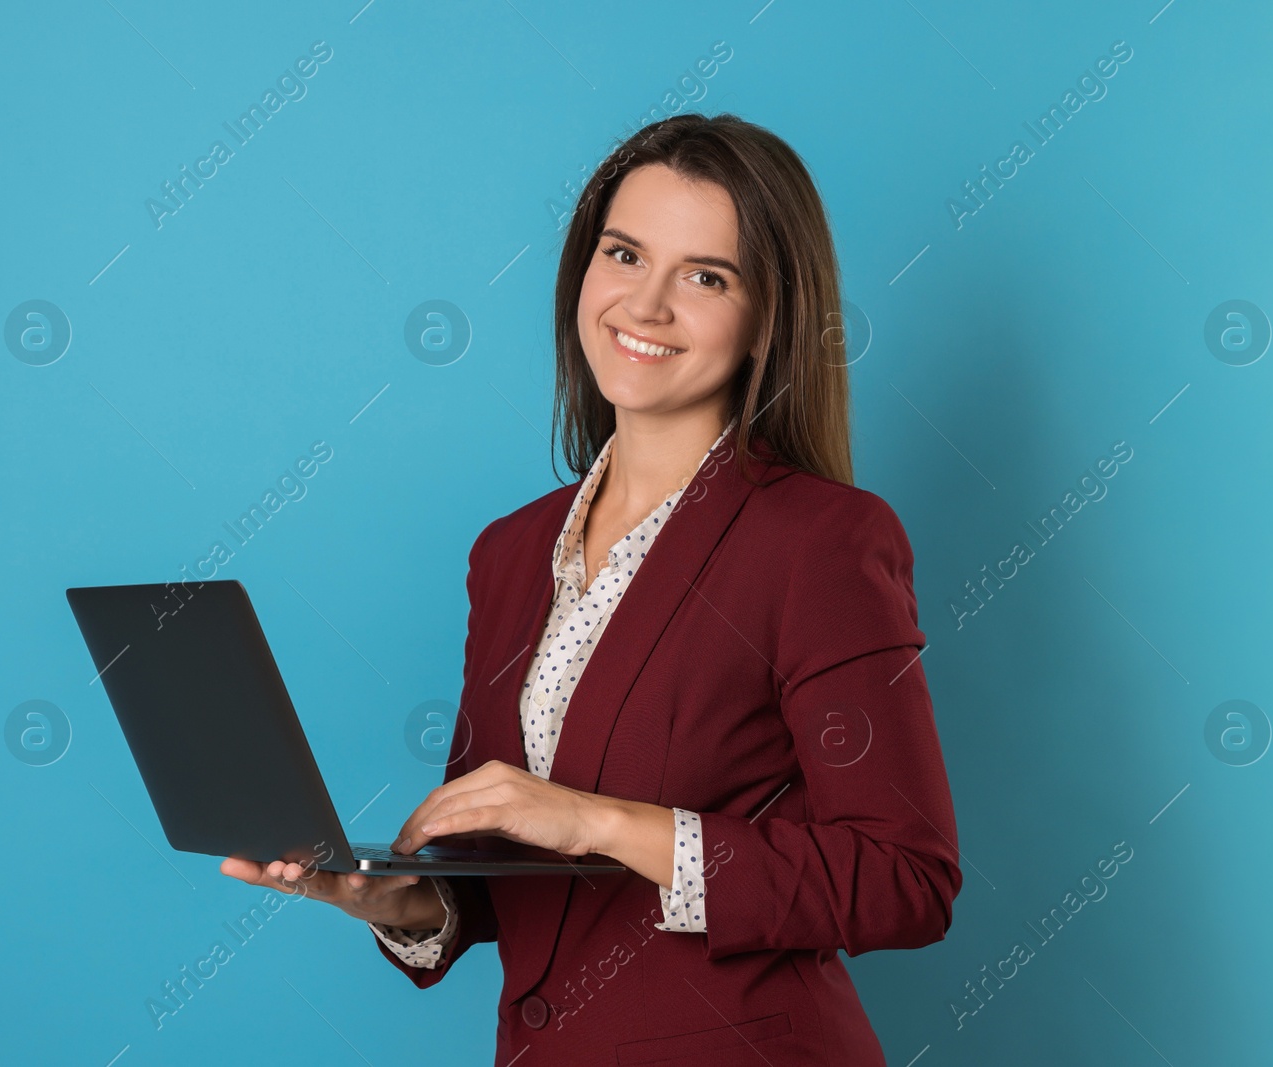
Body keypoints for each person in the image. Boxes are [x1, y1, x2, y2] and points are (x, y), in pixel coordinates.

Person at [222, 112, 961, 1065]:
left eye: (705, 276)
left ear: (767, 315)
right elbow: (507, 866)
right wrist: (394, 897)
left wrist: (598, 820)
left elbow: (905, 879)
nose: (645, 306)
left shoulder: (821, 541)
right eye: (624, 253)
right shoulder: (512, 551)